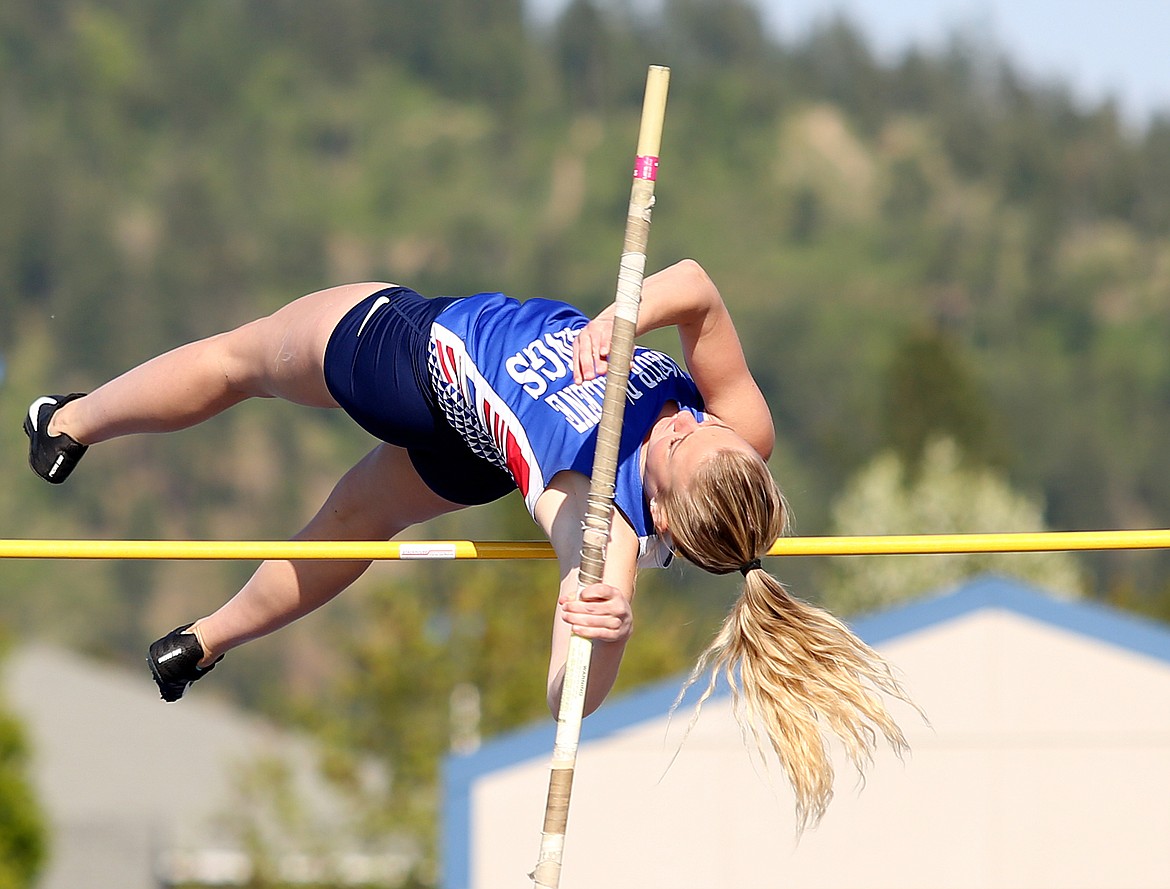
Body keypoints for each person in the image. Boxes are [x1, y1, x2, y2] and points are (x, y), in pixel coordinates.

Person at [24, 259, 914, 828]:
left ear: (668, 523)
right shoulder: (738, 428)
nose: (682, 426)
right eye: (695, 430)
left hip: (417, 360)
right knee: (353, 527)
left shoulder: (597, 517)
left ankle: (66, 424)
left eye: (676, 452)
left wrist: (599, 636)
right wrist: (625, 314)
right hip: (477, 448)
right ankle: (204, 641)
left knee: (240, 360)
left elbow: (569, 688)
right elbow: (702, 287)